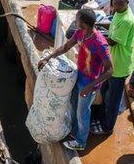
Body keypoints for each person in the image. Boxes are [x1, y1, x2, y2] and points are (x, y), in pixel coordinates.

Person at [37, 8, 113, 151]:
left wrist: (90, 87)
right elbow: (66, 47)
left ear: (83, 24)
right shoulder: (80, 33)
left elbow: (109, 70)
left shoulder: (100, 43)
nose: (75, 21)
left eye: (77, 19)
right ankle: (74, 131)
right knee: (72, 105)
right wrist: (47, 58)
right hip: (78, 75)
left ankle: (81, 141)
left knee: (82, 112)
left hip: (89, 82)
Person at [99, 0, 134, 135]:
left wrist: (95, 36)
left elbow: (112, 42)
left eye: (120, 4)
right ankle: (103, 119)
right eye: (114, 3)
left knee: (112, 100)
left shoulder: (127, 20)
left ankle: (107, 127)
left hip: (119, 66)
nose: (116, 6)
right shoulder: (119, 13)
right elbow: (112, 27)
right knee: (104, 91)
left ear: (127, 3)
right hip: (112, 62)